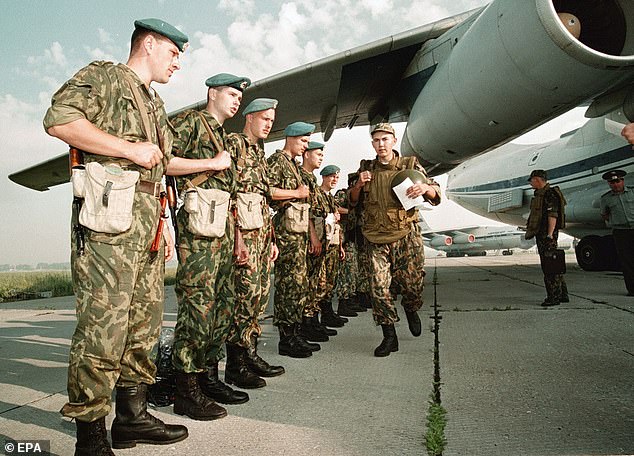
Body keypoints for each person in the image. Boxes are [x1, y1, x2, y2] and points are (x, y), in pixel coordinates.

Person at [43, 18, 189, 454]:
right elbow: (59, 121)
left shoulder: (154, 102)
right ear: (148, 44)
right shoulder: (104, 76)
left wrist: (165, 223)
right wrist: (126, 148)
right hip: (109, 225)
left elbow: (163, 164)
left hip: (147, 226)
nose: (177, 64)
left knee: (143, 326)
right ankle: (89, 436)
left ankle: (132, 418)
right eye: (173, 53)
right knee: (102, 329)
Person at [167, 73, 251, 420]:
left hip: (223, 232)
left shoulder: (224, 137)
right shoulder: (189, 123)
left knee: (223, 307)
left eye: (239, 97)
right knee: (198, 309)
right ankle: (185, 389)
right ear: (212, 93)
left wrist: (240, 239)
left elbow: (230, 197)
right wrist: (210, 164)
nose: (236, 101)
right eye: (231, 94)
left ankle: (206, 377)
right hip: (197, 235)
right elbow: (163, 162)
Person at [349, 123, 440, 357]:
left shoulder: (409, 164)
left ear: (393, 140)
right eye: (377, 140)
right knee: (378, 288)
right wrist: (359, 184)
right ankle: (389, 336)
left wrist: (424, 188)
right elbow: (351, 200)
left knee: (412, 285)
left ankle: (410, 308)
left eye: (385, 139)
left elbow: (436, 193)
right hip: (375, 237)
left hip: (405, 236)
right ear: (372, 143)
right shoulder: (365, 168)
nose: (381, 144)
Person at [224, 98, 285, 386]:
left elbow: (263, 201)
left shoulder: (259, 153)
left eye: (272, 120)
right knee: (243, 299)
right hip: (244, 238)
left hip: (261, 237)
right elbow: (229, 194)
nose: (269, 124)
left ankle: (251, 354)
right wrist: (237, 239)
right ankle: (236, 365)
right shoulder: (233, 144)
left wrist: (271, 239)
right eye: (264, 119)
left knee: (259, 298)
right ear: (248, 117)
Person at [267, 122, 316, 358]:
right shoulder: (278, 162)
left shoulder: (294, 166)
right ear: (291, 138)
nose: (305, 147)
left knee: (298, 285)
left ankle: (294, 333)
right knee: (288, 285)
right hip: (286, 234)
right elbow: (268, 191)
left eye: (308, 143)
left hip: (298, 234)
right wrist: (296, 194)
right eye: (303, 142)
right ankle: (286, 339)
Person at [525, 169, 569, 306]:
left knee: (549, 267)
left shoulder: (549, 194)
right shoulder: (542, 194)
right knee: (554, 265)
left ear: (537, 179)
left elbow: (552, 215)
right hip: (544, 234)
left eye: (532, 180)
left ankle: (553, 298)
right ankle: (562, 295)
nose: (531, 183)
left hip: (547, 236)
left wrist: (550, 235)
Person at [600, 170, 634, 296]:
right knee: (627, 262)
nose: (615, 184)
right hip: (621, 232)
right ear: (609, 184)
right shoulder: (606, 199)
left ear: (623, 181)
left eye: (617, 181)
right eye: (612, 182)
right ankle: (632, 289)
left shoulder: (632, 192)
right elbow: (604, 214)